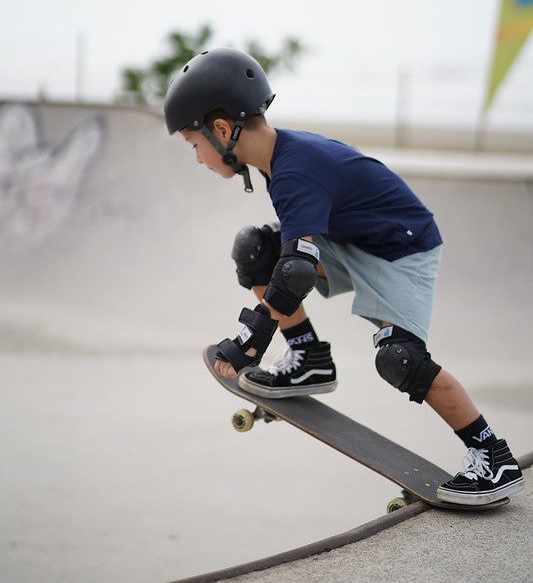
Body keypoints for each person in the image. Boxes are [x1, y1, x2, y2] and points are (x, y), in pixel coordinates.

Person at [164, 47, 524, 507]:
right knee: (257, 249)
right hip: (353, 238)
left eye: (194, 146)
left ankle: (493, 457)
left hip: (402, 250)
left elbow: (296, 274)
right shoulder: (277, 160)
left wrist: (250, 341)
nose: (197, 158)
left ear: (220, 130)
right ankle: (309, 358)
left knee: (401, 360)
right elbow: (293, 260)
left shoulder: (295, 169)